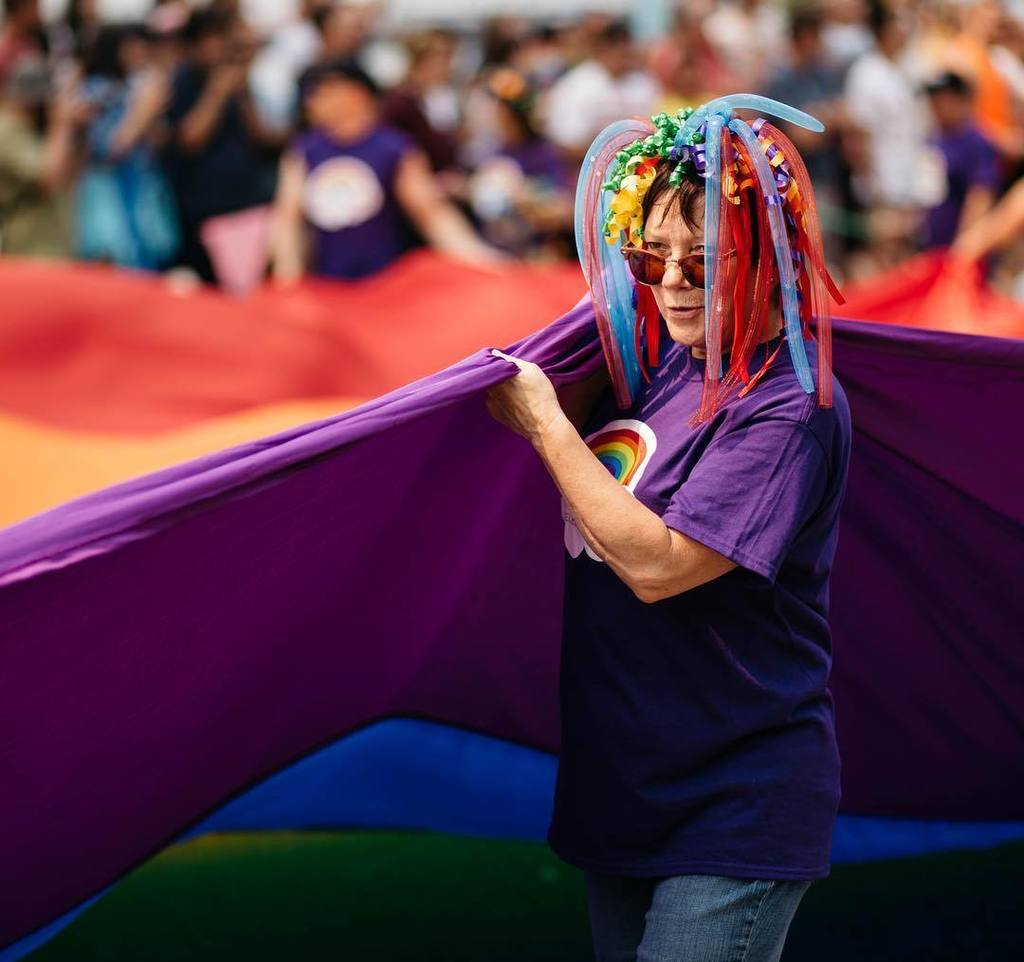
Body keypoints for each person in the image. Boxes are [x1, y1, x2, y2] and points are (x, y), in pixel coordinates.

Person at [486, 96, 851, 962]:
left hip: (735, 797)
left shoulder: (788, 404)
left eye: (708, 258)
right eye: (654, 257)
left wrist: (545, 425)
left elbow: (657, 565)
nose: (676, 281)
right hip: (625, 786)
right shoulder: (655, 366)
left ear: (772, 255)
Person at [271, 58, 500, 282]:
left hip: (385, 282)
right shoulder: (305, 150)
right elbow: (288, 219)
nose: (312, 103)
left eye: (323, 93)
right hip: (328, 284)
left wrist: (482, 261)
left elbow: (431, 213)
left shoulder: (393, 148)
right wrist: (288, 280)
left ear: (356, 93)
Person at [164, 8, 281, 283]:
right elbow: (189, 139)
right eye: (215, 38)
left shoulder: (238, 79)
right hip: (201, 206)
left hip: (246, 202)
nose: (222, 47)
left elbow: (261, 138)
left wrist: (241, 92)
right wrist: (217, 91)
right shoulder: (183, 81)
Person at [921, 70, 1000, 250]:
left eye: (942, 98)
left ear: (961, 100)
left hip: (959, 252)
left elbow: (980, 197)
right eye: (932, 98)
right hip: (932, 248)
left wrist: (963, 251)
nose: (935, 105)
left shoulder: (976, 142)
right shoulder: (935, 138)